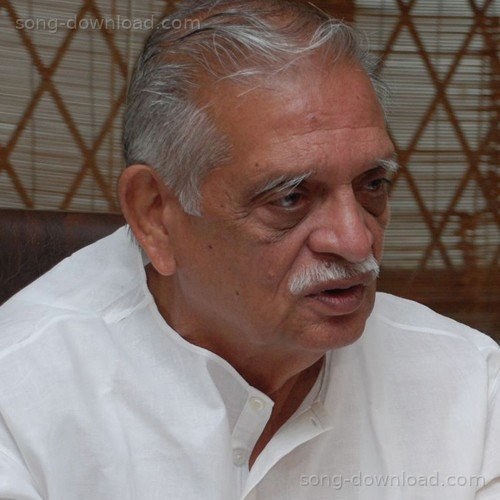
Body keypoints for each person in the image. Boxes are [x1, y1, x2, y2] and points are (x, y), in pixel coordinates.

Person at [0, 1, 498, 498]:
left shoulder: (469, 387)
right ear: (156, 216)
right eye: (290, 197)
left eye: (372, 185)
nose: (355, 241)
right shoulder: (20, 400)